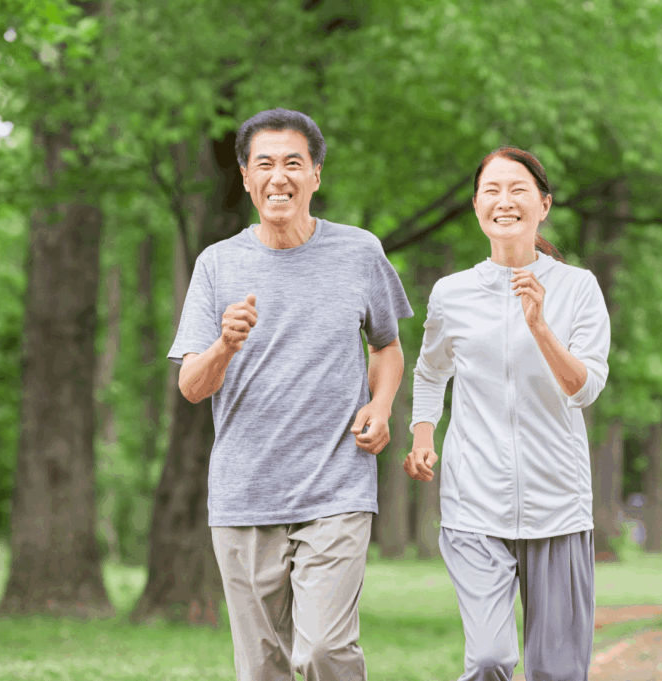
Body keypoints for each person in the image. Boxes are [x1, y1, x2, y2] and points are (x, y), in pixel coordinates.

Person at [167, 108, 413, 681]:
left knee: (323, 650)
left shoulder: (359, 253)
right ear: (247, 179)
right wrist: (225, 345)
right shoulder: (217, 265)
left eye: (293, 163)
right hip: (245, 494)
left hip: (337, 486)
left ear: (316, 176)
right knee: (262, 668)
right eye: (265, 164)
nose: (279, 176)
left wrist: (380, 406)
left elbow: (387, 347)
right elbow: (191, 385)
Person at [405, 147, 611, 681]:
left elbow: (584, 388)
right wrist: (422, 433)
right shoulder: (452, 294)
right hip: (474, 501)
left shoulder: (578, 288)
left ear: (543, 204)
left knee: (559, 673)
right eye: (491, 191)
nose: (504, 201)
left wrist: (540, 324)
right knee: (490, 659)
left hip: (558, 504)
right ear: (476, 206)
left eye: (518, 190)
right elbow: (430, 372)